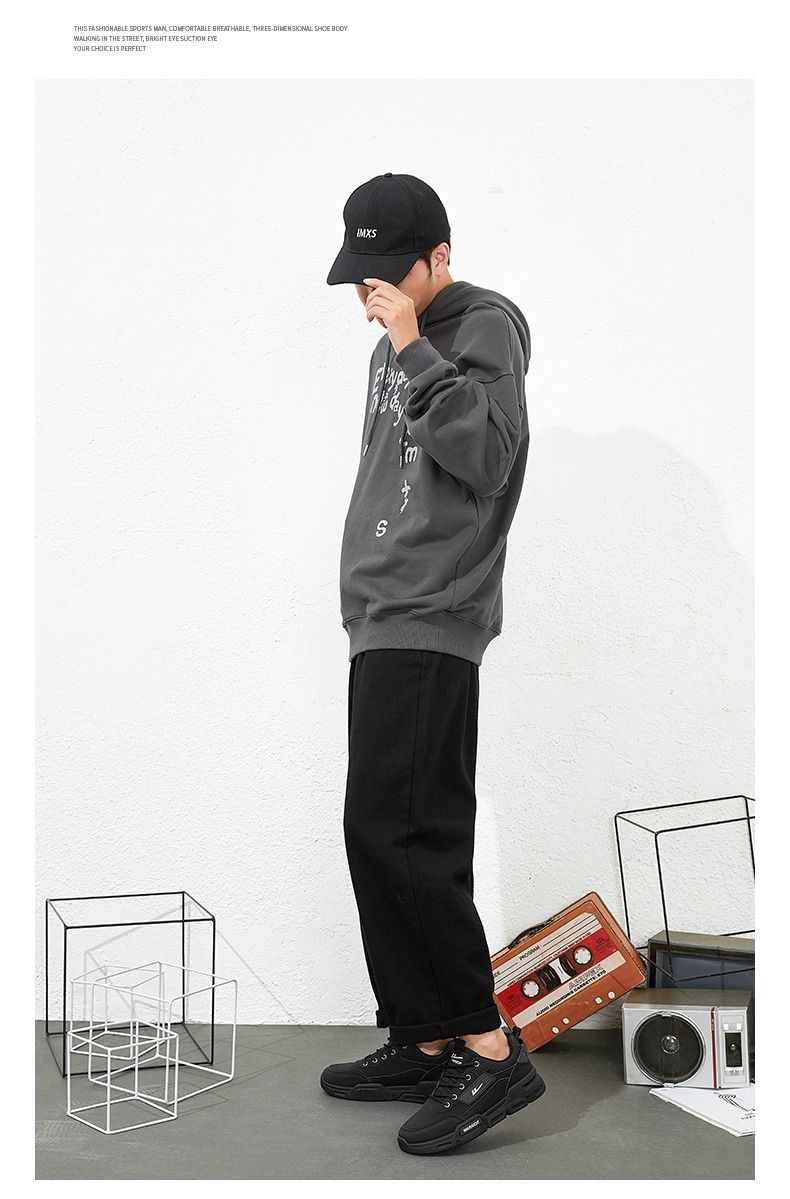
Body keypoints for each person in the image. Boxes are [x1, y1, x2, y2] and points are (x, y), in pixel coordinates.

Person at [321, 172, 545, 1156]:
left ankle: (487, 1047)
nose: (371, 295)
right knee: (376, 830)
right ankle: (424, 1036)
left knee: (411, 834)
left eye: (386, 274)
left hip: (433, 613)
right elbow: (392, 477)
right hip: (384, 612)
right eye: (361, 279)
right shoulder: (391, 345)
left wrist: (414, 343)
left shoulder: (481, 324)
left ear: (438, 256)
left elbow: (487, 457)